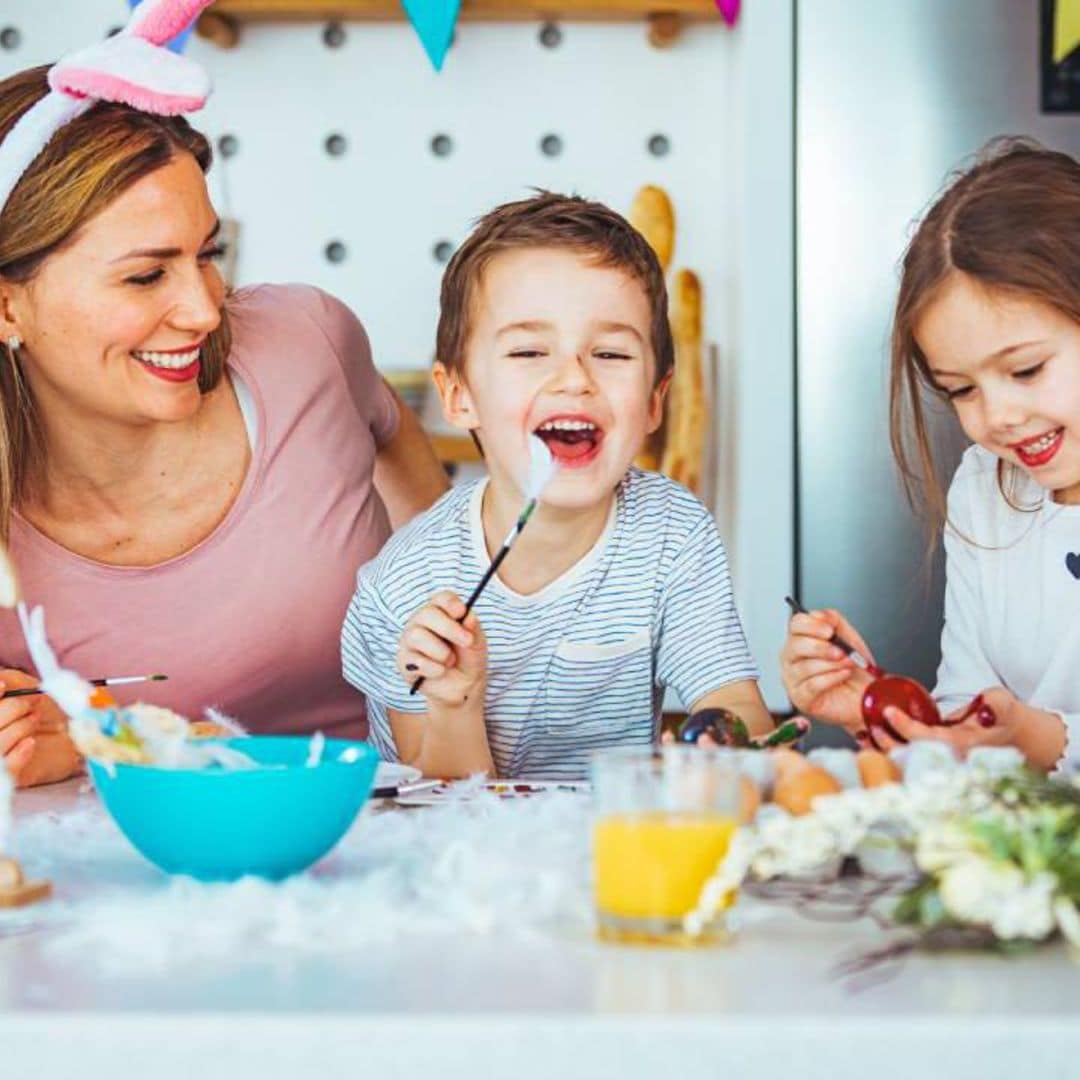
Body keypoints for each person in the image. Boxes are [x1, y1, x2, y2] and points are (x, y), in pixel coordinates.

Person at [0, 2, 447, 787]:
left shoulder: (307, 343)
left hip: (385, 837)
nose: (207, 311)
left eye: (208, 253)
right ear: (8, 307)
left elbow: (451, 555)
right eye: (146, 275)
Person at [342, 192, 772, 780]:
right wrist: (454, 703)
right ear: (458, 396)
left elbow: (736, 709)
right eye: (528, 350)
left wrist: (730, 751)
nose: (574, 378)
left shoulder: (672, 531)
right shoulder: (405, 585)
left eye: (611, 352)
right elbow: (438, 806)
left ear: (653, 402)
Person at [781, 139, 1079, 772]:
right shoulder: (986, 488)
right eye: (961, 390)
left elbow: (1016, 738)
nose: (997, 416)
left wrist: (1036, 738)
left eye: (1026, 369)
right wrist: (888, 708)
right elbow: (971, 714)